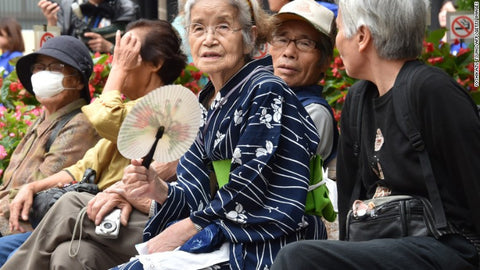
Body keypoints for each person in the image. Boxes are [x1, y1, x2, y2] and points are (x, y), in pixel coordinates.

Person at [110, 0, 327, 269]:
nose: (209, 39)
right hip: (224, 237)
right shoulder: (207, 102)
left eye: (223, 26)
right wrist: (159, 188)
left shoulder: (267, 91)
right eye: (198, 28)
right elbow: (196, 192)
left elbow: (252, 184)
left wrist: (188, 227)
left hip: (269, 244)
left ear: (249, 38)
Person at [270, 0, 480, 269]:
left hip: (446, 247)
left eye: (339, 29)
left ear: (361, 37)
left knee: (297, 258)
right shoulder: (358, 100)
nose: (337, 44)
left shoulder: (432, 90)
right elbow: (350, 206)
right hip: (382, 243)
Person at [0, 19, 186, 269]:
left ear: (155, 64)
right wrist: (31, 187)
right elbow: (83, 167)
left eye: (127, 52)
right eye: (118, 53)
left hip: (126, 218)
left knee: (63, 211)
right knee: (69, 255)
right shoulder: (129, 110)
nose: (117, 59)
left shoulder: (167, 109)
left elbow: (103, 116)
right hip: (99, 218)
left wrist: (118, 70)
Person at [0, 35, 100, 262]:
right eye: (40, 67)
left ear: (78, 81)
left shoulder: (81, 123)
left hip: (27, 229)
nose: (44, 73)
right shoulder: (43, 119)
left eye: (56, 67)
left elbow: (39, 187)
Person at [38, 0, 140, 53]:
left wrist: (110, 47)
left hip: (112, 75)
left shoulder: (127, 8)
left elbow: (138, 49)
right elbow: (51, 49)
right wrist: (51, 22)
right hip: (74, 73)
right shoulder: (67, 5)